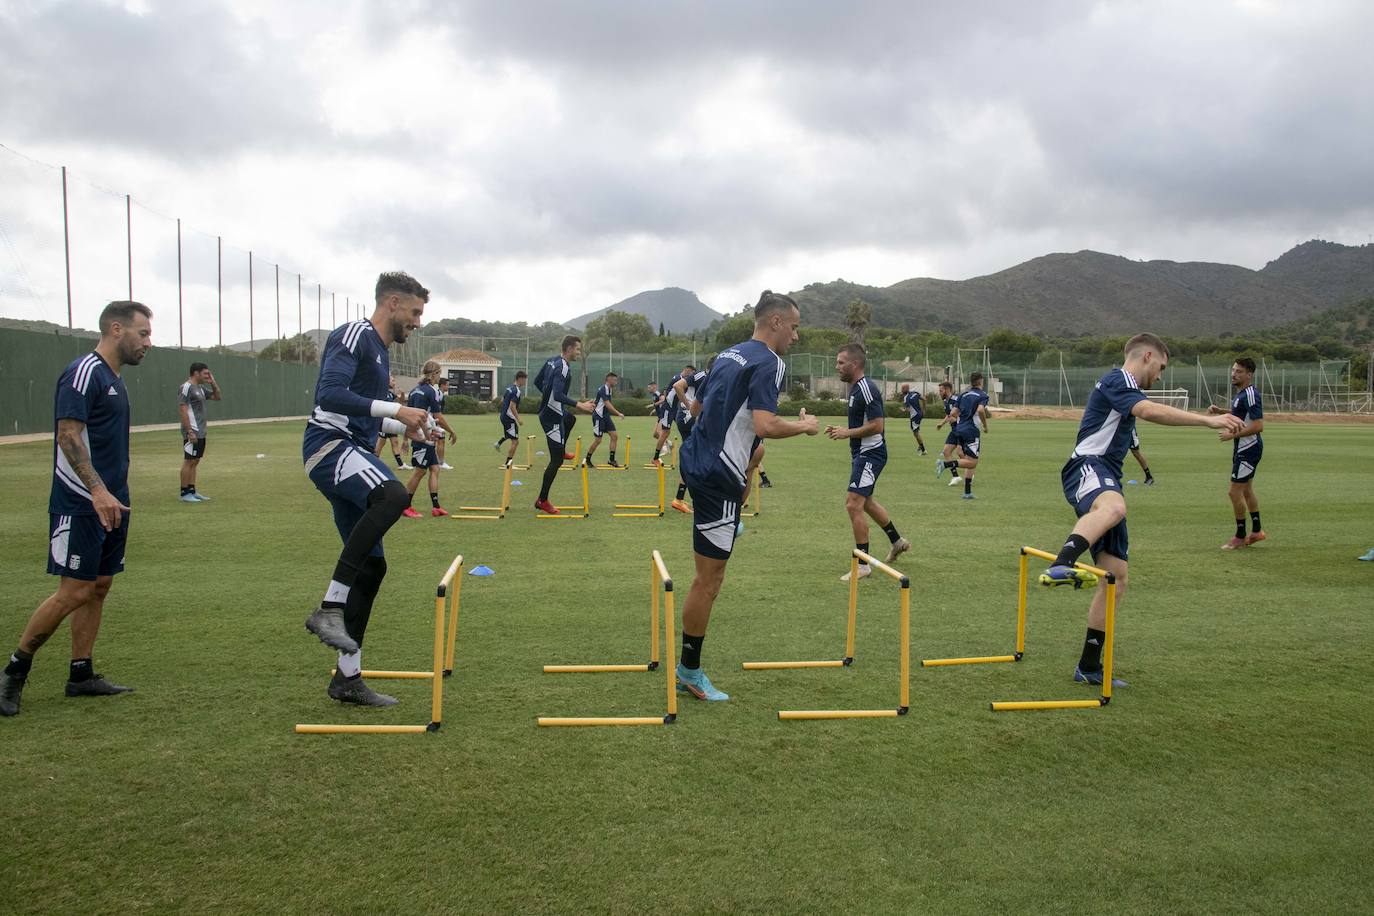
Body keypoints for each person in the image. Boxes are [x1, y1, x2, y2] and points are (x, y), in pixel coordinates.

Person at [1038, 333, 1244, 687]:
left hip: (1107, 475)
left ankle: (1088, 666)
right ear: (1148, 356)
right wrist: (1208, 420)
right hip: (1086, 466)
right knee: (1115, 506)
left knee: (1115, 578)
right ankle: (1061, 562)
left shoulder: (1129, 388)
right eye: (1161, 367)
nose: (1161, 376)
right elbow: (1148, 411)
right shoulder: (1119, 379)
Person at [2, 300, 153, 717]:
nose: (149, 343)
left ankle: (80, 674)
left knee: (99, 586)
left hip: (113, 501)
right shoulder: (84, 371)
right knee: (73, 591)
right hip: (81, 502)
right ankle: (14, 672)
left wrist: (115, 493)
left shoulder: (115, 378)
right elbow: (68, 437)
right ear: (116, 328)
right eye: (143, 333)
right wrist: (98, 492)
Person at [675, 291, 819, 701]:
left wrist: (742, 438)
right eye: (793, 326)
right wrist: (804, 426)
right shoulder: (770, 362)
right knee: (709, 580)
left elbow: (699, 410)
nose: (795, 335)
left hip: (698, 459)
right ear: (774, 322)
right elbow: (767, 423)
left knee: (754, 456)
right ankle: (689, 670)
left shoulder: (728, 353)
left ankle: (729, 522)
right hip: (717, 475)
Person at [301, 272, 435, 708]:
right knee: (394, 496)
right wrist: (398, 407)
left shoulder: (379, 352)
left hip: (352, 447)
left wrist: (407, 426)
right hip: (329, 447)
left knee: (373, 570)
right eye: (414, 312)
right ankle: (329, 606)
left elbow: (369, 416)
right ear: (392, 303)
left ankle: (347, 679)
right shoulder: (354, 335)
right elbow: (331, 395)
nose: (417, 322)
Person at [826, 344, 911, 581]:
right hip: (863, 453)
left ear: (855, 365)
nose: (837, 366)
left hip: (870, 454)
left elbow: (877, 425)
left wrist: (846, 433)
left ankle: (863, 564)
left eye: (841, 362)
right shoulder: (856, 389)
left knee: (853, 503)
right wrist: (842, 431)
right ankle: (897, 541)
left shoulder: (866, 388)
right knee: (866, 502)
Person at [532, 336, 593, 515]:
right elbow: (558, 395)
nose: (579, 353)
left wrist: (547, 398)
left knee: (570, 419)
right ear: (568, 349)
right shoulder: (563, 368)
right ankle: (542, 500)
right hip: (551, 418)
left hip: (554, 412)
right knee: (556, 460)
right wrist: (580, 405)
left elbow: (537, 382)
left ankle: (562, 448)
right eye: (577, 350)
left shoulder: (552, 360)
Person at [1209, 357, 1266, 549]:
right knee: (1247, 490)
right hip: (1245, 447)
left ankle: (1240, 536)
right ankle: (1257, 531)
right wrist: (1221, 411)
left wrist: (1231, 433)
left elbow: (1258, 425)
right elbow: (1240, 414)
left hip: (1248, 448)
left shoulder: (1250, 394)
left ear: (1249, 375)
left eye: (1239, 371)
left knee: (1234, 493)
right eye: (1233, 370)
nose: (1234, 374)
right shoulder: (1242, 394)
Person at [401, 360, 448, 518]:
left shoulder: (414, 391)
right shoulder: (431, 391)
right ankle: (405, 506)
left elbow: (407, 416)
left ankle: (436, 507)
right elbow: (438, 415)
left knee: (435, 469)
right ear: (434, 374)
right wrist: (452, 431)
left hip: (423, 437)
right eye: (439, 374)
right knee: (419, 473)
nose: (439, 377)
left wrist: (406, 438)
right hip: (423, 438)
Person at [936, 372, 990, 499]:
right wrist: (985, 425)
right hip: (971, 431)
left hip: (959, 429)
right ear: (981, 381)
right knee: (972, 463)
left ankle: (967, 493)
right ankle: (944, 464)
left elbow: (953, 413)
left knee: (968, 459)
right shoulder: (983, 395)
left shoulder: (963, 394)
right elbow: (981, 410)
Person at [177, 361, 221, 502]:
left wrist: (212, 382)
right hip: (192, 431)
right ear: (196, 373)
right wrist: (189, 431)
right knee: (189, 461)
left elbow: (217, 397)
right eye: (205, 373)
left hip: (201, 431)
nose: (207, 376)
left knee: (195, 461)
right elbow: (183, 409)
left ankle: (192, 490)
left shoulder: (200, 388)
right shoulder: (186, 387)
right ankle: (184, 494)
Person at [670, 363, 705, 512]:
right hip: (688, 419)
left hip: (686, 418)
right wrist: (690, 407)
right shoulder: (704, 375)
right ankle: (699, 499)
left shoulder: (706, 375)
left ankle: (679, 498)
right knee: (697, 459)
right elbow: (677, 386)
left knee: (692, 458)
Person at [585, 372, 626, 467]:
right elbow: (608, 404)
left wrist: (594, 401)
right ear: (609, 380)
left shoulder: (608, 389)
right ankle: (587, 459)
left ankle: (611, 460)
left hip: (605, 416)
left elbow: (600, 400)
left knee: (614, 436)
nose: (616, 382)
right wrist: (618, 413)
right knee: (598, 440)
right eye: (615, 380)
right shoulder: (604, 389)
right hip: (598, 417)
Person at [374, 375, 409, 469]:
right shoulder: (380, 392)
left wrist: (402, 394)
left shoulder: (389, 393)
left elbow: (400, 401)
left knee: (395, 442)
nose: (394, 382)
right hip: (384, 421)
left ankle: (400, 464)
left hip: (390, 421)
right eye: (392, 380)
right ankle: (374, 462)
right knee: (381, 443)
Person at [494, 370, 527, 468]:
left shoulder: (509, 388)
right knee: (515, 441)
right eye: (524, 380)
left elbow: (502, 401)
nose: (525, 383)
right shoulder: (516, 391)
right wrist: (518, 419)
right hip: (509, 418)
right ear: (520, 379)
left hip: (504, 416)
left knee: (510, 435)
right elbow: (512, 406)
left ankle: (498, 443)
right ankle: (508, 463)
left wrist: (504, 410)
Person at [934, 381, 963, 487]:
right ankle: (955, 476)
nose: (939, 393)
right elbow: (949, 415)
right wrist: (942, 424)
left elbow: (963, 413)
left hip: (960, 429)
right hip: (954, 430)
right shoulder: (946, 401)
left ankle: (970, 471)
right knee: (946, 452)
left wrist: (956, 419)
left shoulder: (957, 400)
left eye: (941, 391)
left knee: (960, 453)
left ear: (947, 390)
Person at [434, 377, 456, 470]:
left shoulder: (440, 394)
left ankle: (437, 462)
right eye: (447, 385)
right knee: (440, 440)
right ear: (442, 385)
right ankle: (441, 463)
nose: (448, 386)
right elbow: (436, 411)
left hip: (435, 421)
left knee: (437, 441)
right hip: (435, 421)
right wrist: (439, 422)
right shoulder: (439, 394)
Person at [900, 383, 926, 456]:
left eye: (902, 388)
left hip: (914, 416)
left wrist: (903, 410)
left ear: (906, 389)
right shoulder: (915, 393)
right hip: (919, 414)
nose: (901, 390)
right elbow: (924, 399)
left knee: (916, 433)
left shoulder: (906, 397)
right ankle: (921, 445)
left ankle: (923, 449)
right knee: (915, 432)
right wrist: (923, 410)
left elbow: (907, 409)